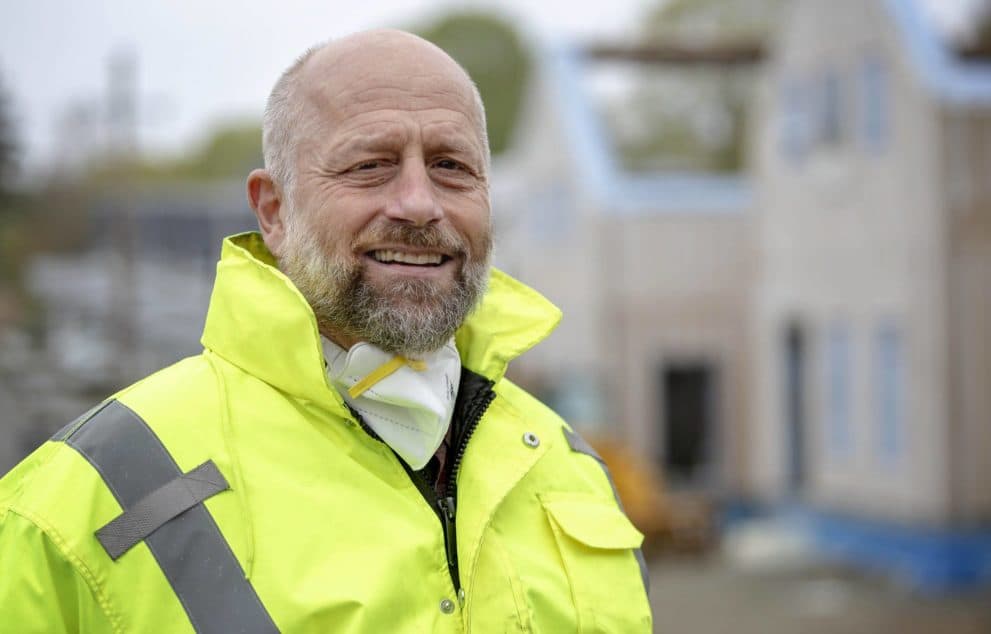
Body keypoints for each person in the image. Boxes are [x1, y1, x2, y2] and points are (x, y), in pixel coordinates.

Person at [0, 30, 651, 632]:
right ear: (274, 211)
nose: (420, 203)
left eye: (452, 165)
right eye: (370, 165)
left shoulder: (570, 472)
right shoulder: (78, 499)